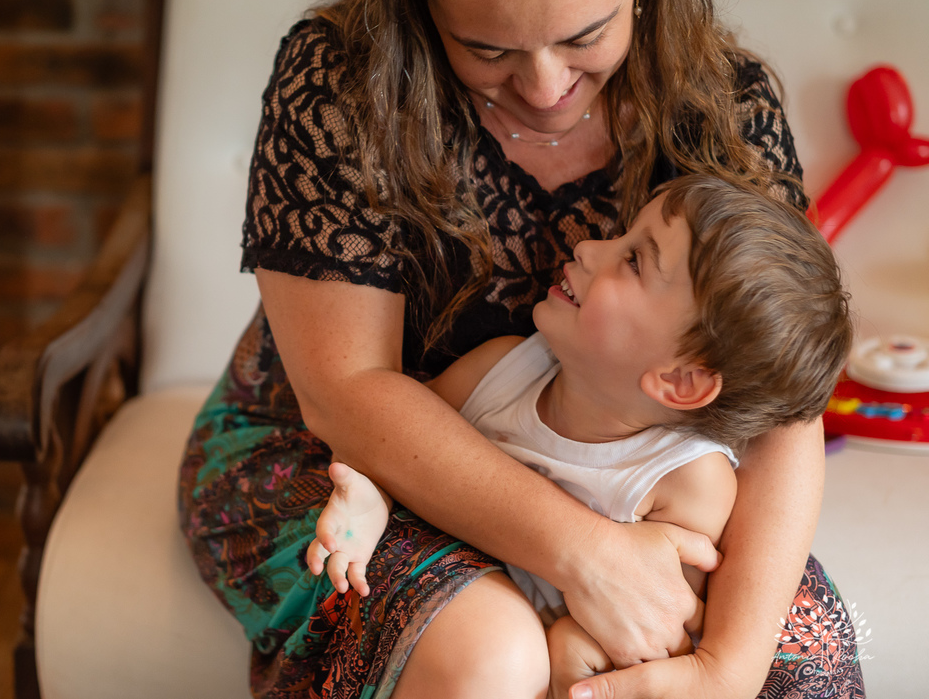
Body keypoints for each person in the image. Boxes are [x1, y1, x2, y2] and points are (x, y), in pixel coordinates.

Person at [177, 0, 866, 696]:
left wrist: (727, 669)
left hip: (621, 472)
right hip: (345, 451)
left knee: (794, 667)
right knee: (490, 651)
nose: (544, 87)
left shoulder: (721, 102)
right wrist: (588, 557)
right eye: (487, 47)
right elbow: (349, 394)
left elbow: (782, 403)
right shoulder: (342, 82)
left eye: (584, 37)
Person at [305, 174, 853, 699]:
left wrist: (574, 644)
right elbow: (401, 447)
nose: (590, 247)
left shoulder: (688, 483)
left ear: (680, 380)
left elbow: (660, 622)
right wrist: (372, 500)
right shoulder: (499, 371)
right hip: (471, 633)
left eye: (634, 259)